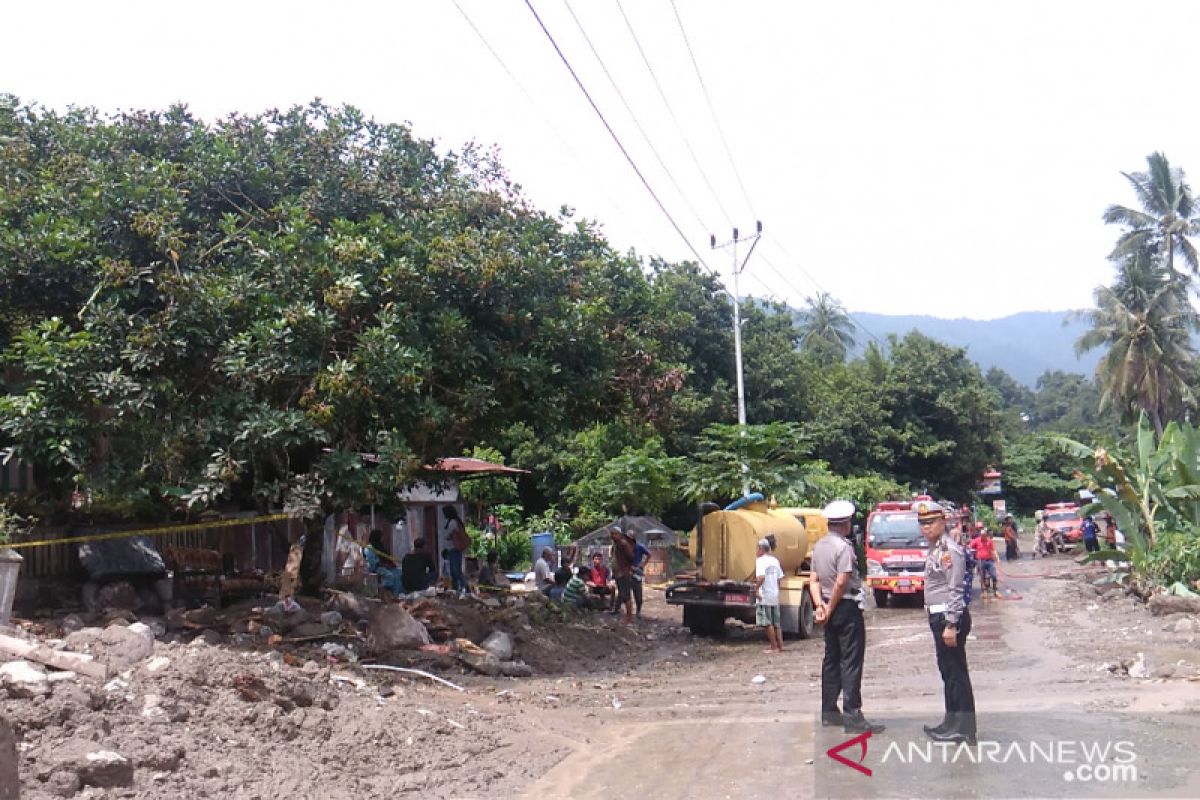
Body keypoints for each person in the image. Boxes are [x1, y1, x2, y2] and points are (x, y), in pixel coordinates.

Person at [809, 500, 885, 734]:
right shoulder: (844, 547)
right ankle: (853, 715)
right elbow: (842, 581)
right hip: (845, 606)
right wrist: (830, 607)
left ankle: (829, 712)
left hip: (827, 606)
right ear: (846, 524)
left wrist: (820, 606)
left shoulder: (819, 546)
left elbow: (813, 580)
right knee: (850, 661)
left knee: (831, 660)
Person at [918, 501, 977, 745]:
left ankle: (964, 729)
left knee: (956, 675)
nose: (925, 528)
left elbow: (955, 589)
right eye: (922, 524)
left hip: (948, 617)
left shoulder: (949, 550)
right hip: (938, 615)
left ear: (943, 522)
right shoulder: (935, 550)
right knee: (947, 673)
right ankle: (951, 722)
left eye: (930, 522)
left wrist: (951, 623)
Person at [754, 538, 784, 654]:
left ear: (761, 549)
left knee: (768, 622)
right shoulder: (774, 560)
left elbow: (761, 577)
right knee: (777, 622)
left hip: (764, 595)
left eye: (757, 548)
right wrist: (777, 590)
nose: (756, 550)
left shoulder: (760, 561)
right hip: (774, 594)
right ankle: (780, 646)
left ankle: (773, 647)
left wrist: (756, 589)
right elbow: (779, 578)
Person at [363, 529, 404, 595]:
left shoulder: (380, 546)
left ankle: (397, 594)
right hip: (376, 568)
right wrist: (383, 565)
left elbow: (386, 557)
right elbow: (372, 561)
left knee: (399, 573)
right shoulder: (369, 548)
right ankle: (383, 591)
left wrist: (390, 564)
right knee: (390, 576)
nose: (382, 539)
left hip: (385, 566)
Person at [610, 526, 636, 624]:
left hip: (623, 573)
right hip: (618, 573)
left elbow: (631, 557)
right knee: (623, 594)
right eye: (612, 534)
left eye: (614, 534)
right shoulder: (616, 545)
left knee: (626, 595)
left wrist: (628, 567)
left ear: (619, 534)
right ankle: (628, 617)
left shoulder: (623, 544)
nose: (612, 536)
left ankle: (629, 617)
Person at [443, 507, 471, 596]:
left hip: (454, 548)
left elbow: (450, 534)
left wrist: (449, 536)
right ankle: (456, 588)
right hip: (454, 548)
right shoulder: (455, 522)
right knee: (454, 571)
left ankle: (465, 587)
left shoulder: (453, 522)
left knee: (456, 570)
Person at [969, 526, 1000, 600]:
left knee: (994, 575)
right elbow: (969, 547)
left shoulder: (989, 541)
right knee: (982, 577)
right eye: (982, 535)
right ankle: (984, 591)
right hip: (980, 561)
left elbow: (993, 550)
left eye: (985, 535)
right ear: (980, 535)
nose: (983, 537)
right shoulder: (976, 540)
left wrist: (997, 558)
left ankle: (995, 591)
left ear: (987, 535)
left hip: (989, 560)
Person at [628, 532, 651, 618]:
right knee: (624, 593)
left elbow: (649, 554)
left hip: (637, 571)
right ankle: (619, 609)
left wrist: (643, 564)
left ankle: (638, 611)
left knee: (638, 593)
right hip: (628, 571)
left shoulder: (639, 546)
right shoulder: (625, 547)